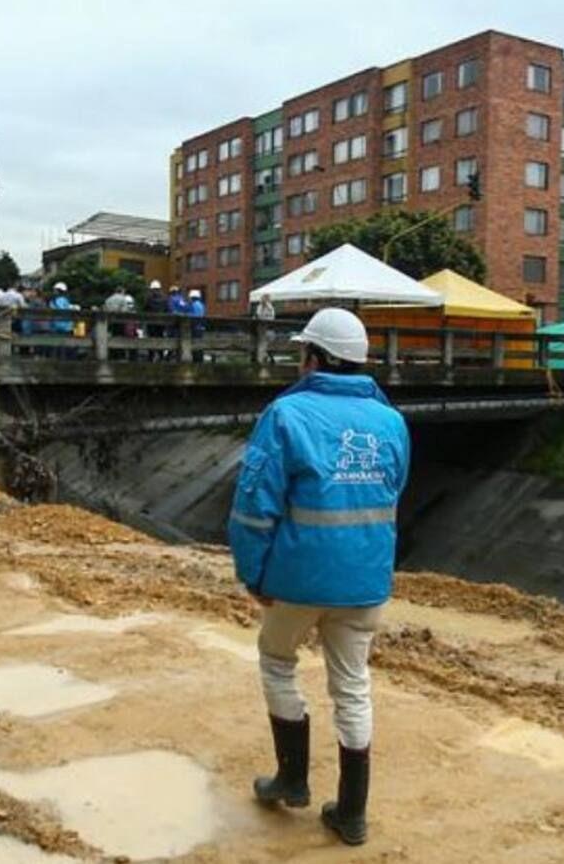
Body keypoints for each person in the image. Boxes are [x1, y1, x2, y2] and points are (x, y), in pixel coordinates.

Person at [228, 307, 409, 847]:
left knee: (278, 661)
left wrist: (252, 573)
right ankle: (351, 813)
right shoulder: (392, 421)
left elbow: (253, 506)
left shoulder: (286, 415)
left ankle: (291, 779)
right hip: (365, 582)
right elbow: (391, 490)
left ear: (316, 358)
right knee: (352, 687)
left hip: (297, 581)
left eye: (301, 352)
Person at [143, 279, 167, 361]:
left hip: (151, 323)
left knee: (151, 339)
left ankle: (151, 357)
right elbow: (167, 310)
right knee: (160, 338)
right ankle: (161, 356)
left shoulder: (149, 298)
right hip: (162, 323)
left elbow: (145, 309)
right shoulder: (164, 298)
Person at [49, 282, 74, 358]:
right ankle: (64, 357)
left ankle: (57, 357)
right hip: (66, 326)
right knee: (65, 343)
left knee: (56, 343)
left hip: (56, 325)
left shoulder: (55, 300)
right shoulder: (65, 300)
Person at [188, 288, 206, 362]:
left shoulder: (193, 305)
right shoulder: (201, 305)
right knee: (200, 345)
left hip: (194, 327)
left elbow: (190, 316)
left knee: (194, 346)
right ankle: (200, 361)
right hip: (201, 327)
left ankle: (195, 362)